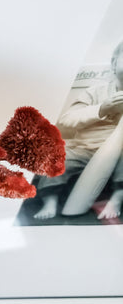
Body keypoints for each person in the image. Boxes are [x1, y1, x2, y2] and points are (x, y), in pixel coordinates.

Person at [34, 40, 123, 220]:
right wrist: (101, 109)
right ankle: (49, 200)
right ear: (114, 64)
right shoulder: (95, 92)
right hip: (85, 149)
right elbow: (67, 120)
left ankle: (117, 198)